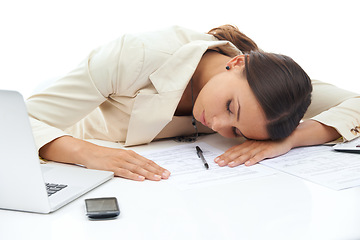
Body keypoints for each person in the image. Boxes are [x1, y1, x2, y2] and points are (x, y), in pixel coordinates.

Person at [26, 25, 360, 181]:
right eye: (230, 108)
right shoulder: (135, 56)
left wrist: (289, 139)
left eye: (236, 131)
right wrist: (87, 153)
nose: (217, 126)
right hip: (64, 138)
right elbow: (14, 121)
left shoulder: (275, 95)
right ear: (238, 62)